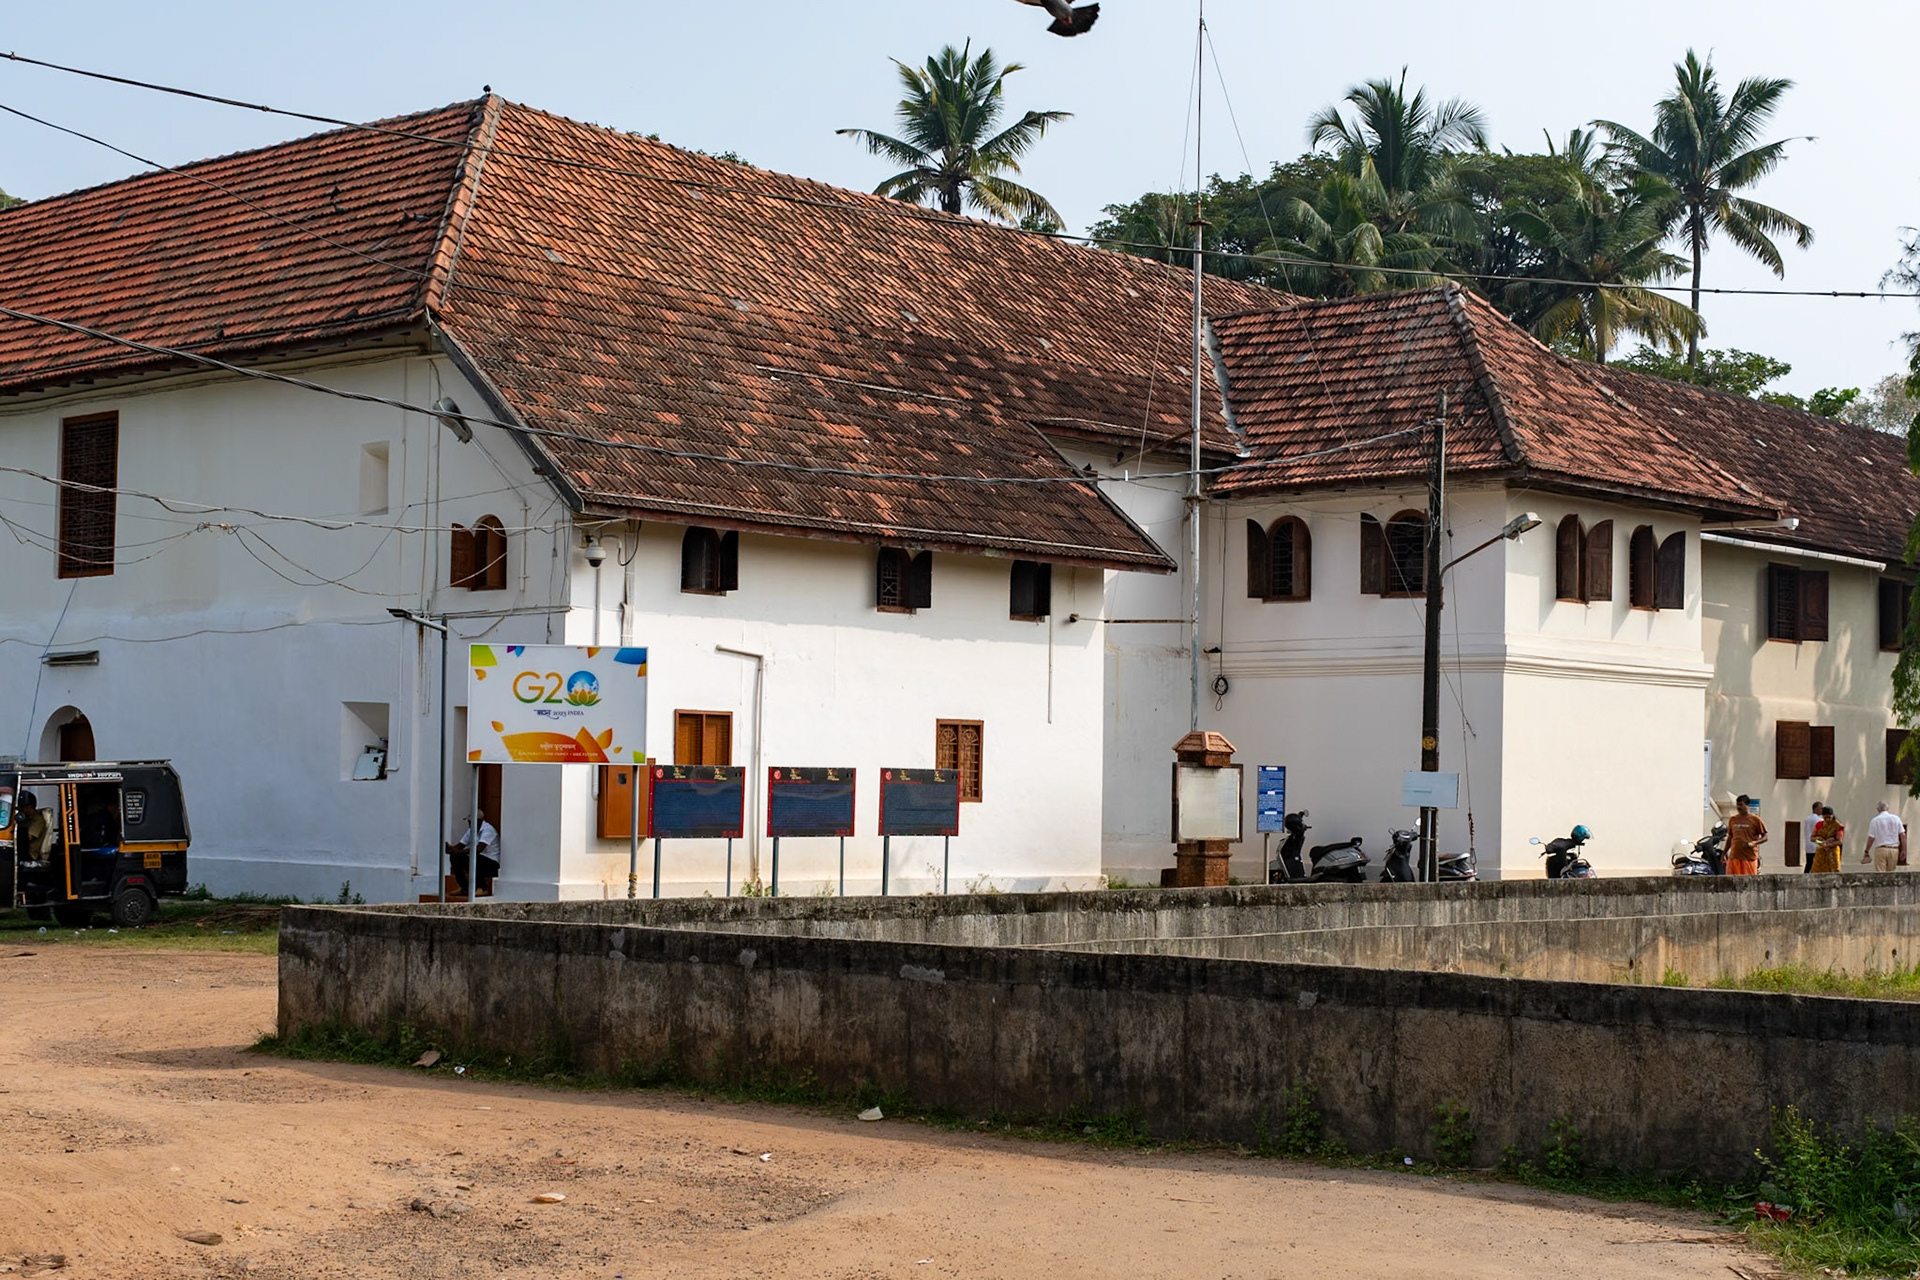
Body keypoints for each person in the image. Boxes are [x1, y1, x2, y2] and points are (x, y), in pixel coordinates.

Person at [447, 816, 500, 897]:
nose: (469, 824)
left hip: (492, 864)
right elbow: (460, 845)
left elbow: (479, 849)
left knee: (475, 858)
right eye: (468, 822)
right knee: (455, 857)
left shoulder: (488, 830)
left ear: (479, 821)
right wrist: (451, 849)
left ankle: (482, 888)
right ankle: (464, 887)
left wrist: (459, 852)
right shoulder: (471, 830)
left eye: (470, 822)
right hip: (480, 861)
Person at [1723, 795, 1767, 875]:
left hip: (1749, 858)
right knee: (1731, 882)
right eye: (1737, 805)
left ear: (1747, 805)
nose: (1739, 807)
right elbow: (1730, 838)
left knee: (1748, 883)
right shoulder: (1733, 820)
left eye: (1741, 805)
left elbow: (1765, 837)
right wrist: (1724, 854)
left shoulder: (1756, 820)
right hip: (1734, 857)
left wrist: (1754, 843)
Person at [1863, 801, 1906, 873]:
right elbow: (1903, 835)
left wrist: (1867, 850)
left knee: (1880, 874)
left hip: (1881, 849)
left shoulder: (1875, 820)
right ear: (1888, 808)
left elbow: (1871, 838)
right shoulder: (1896, 818)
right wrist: (1904, 850)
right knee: (1891, 873)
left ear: (1877, 809)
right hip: (1894, 849)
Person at [17, 791, 54, 860]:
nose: (20, 809)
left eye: (22, 807)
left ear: (29, 806)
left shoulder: (38, 820)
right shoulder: (27, 818)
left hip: (30, 854)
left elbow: (28, 837)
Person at [1810, 806, 1845, 874]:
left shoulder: (1837, 826)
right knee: (1818, 872)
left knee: (1834, 872)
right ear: (1822, 816)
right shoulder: (1819, 825)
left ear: (1832, 816)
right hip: (1821, 851)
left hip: (1833, 852)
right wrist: (1820, 841)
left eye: (1829, 817)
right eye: (1825, 817)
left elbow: (1840, 841)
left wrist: (1828, 845)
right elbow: (1812, 838)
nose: (1827, 819)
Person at [1803, 803, 1823, 873]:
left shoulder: (1807, 819)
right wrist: (1822, 843)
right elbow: (1821, 834)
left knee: (1809, 864)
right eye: (1821, 808)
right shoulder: (1819, 820)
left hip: (1808, 845)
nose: (1822, 810)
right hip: (1816, 844)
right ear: (1815, 809)